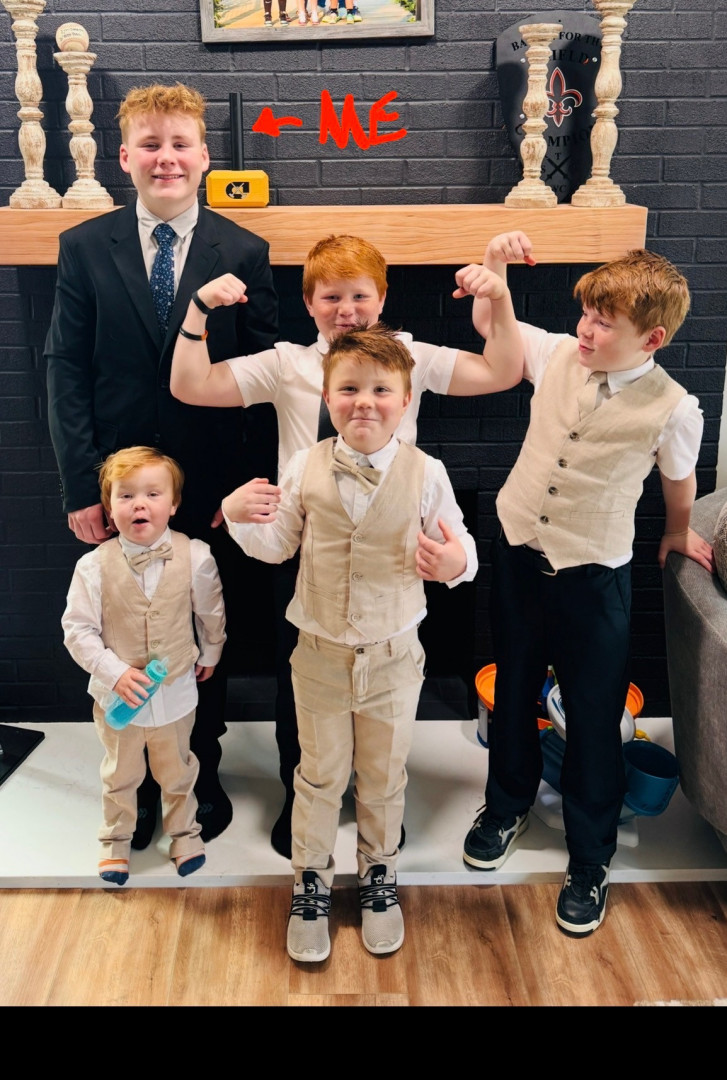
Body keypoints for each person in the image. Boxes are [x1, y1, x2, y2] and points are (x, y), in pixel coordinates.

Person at [169, 232, 524, 859]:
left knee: (385, 685)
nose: (347, 310)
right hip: (299, 541)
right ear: (309, 302)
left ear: (381, 298)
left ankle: (375, 804)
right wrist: (197, 309)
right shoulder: (287, 363)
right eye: (331, 297)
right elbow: (190, 386)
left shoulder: (407, 357)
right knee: (300, 684)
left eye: (359, 296)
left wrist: (499, 293)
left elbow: (502, 371)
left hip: (389, 547)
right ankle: (302, 795)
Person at [45, 83, 279, 850]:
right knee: (125, 630)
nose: (166, 158)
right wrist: (82, 485)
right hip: (121, 489)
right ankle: (137, 781)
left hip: (209, 487)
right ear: (124, 158)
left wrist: (243, 488)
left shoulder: (243, 251)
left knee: (196, 628)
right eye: (150, 145)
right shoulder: (85, 247)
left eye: (180, 144)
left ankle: (198, 771)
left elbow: (263, 380)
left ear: (204, 156)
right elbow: (64, 370)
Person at [460, 231, 715, 937]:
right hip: (518, 550)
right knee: (513, 686)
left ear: (651, 338)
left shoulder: (675, 407)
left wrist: (676, 530)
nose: (586, 330)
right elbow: (492, 325)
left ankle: (590, 857)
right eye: (585, 314)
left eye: (604, 323)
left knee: (594, 715)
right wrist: (493, 268)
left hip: (593, 574)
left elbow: (679, 478)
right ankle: (506, 805)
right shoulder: (555, 353)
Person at [222, 322, 478, 960]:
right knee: (317, 775)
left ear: (406, 399)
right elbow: (278, 545)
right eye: (349, 389)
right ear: (327, 397)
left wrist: (456, 564)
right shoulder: (303, 464)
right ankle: (310, 880)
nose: (364, 402)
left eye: (381, 390)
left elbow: (462, 543)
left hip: (394, 653)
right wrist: (235, 517)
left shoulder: (427, 472)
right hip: (318, 652)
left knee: (385, 776)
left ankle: (378, 874)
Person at [61, 447, 226, 887]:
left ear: (173, 504)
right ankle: (115, 841)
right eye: (126, 495)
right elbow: (77, 630)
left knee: (179, 771)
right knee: (120, 774)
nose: (140, 504)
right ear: (109, 508)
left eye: (153, 494)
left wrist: (210, 653)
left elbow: (210, 613)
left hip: (175, 693)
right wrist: (114, 672)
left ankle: (185, 834)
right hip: (117, 701)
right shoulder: (92, 566)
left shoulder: (197, 556)